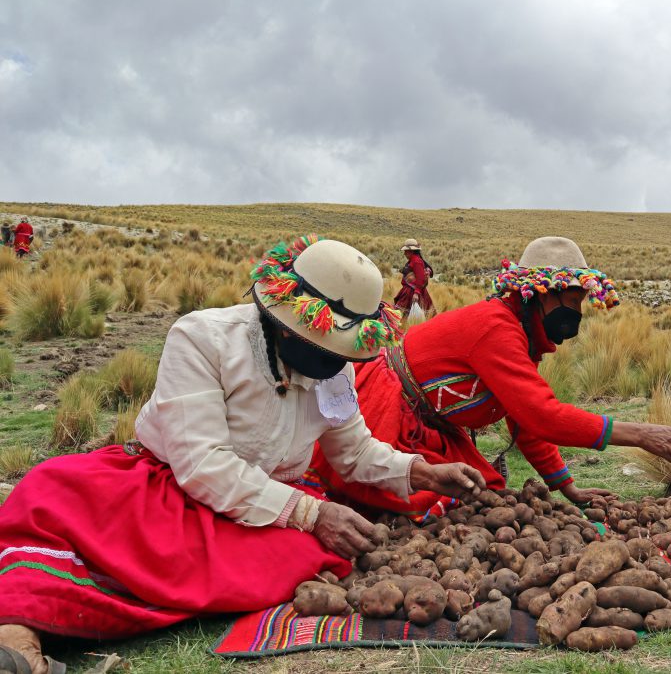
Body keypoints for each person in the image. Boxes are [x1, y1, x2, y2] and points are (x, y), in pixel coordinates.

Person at [0, 235, 485, 674]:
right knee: (52, 499)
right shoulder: (202, 338)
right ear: (285, 320)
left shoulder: (335, 368)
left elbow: (352, 449)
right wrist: (312, 513)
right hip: (168, 488)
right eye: (322, 342)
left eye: (340, 347)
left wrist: (421, 471)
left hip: (267, 501)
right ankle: (19, 635)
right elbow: (202, 464)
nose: (333, 358)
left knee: (309, 554)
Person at [306, 236, 671, 520]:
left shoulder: (523, 333)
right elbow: (542, 415)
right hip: (387, 411)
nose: (578, 311)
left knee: (484, 490)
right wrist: (640, 435)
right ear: (542, 292)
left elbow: (524, 419)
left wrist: (566, 488)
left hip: (429, 423)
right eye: (573, 299)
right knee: (421, 500)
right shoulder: (497, 328)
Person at [393, 238, 435, 319]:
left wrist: (416, 293)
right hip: (410, 291)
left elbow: (420, 278)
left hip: (412, 292)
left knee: (402, 315)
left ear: (411, 251)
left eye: (406, 251)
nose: (404, 253)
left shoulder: (416, 261)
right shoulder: (413, 260)